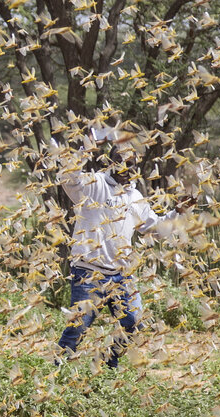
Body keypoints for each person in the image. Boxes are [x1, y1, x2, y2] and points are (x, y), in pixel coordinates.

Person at [55, 131, 194, 368]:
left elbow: (154, 228)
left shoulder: (134, 196)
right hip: (89, 273)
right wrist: (87, 148)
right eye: (121, 162)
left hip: (121, 275)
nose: (127, 169)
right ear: (110, 162)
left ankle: (109, 364)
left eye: (132, 165)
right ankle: (57, 374)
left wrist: (177, 212)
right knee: (78, 327)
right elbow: (68, 178)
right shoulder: (94, 184)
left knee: (134, 323)